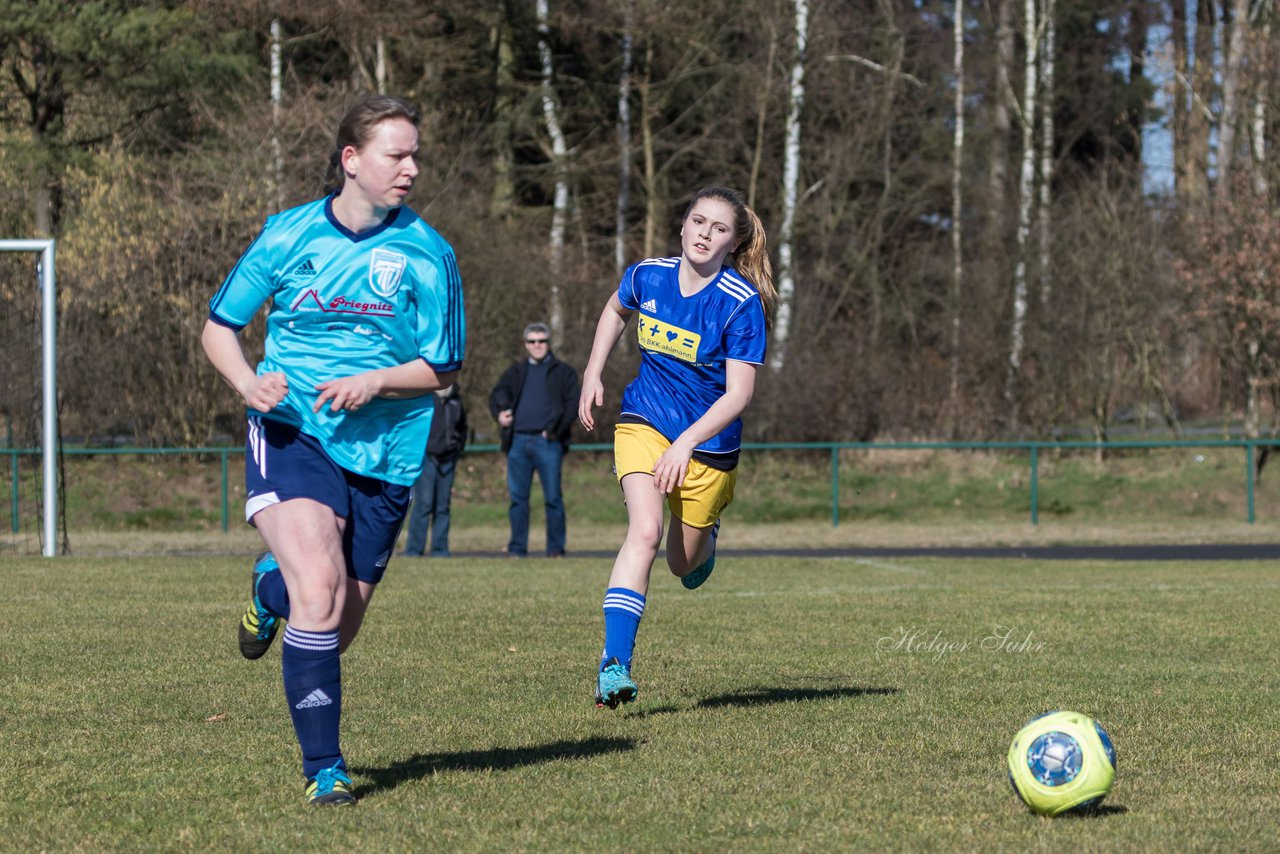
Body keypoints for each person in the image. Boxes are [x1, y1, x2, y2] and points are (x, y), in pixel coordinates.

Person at [200, 94, 465, 806]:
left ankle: (267, 588)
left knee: (334, 624)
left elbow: (444, 368)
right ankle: (325, 770)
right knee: (320, 589)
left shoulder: (429, 253)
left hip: (386, 453)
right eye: (396, 154)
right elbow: (220, 328)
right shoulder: (286, 237)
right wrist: (247, 382)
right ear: (352, 160)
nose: (411, 167)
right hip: (294, 429)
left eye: (415, 155)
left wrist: (377, 380)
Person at [577, 186, 776, 710]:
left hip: (708, 444)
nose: (705, 234)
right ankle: (613, 665)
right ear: (682, 226)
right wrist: (592, 372)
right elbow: (614, 311)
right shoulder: (648, 274)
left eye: (719, 228)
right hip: (645, 420)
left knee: (681, 565)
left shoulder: (741, 304)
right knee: (644, 529)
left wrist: (687, 443)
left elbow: (739, 394)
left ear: (734, 242)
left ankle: (707, 536)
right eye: (698, 221)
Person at [488, 323, 580, 557]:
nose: (537, 345)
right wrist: (500, 412)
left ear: (549, 343)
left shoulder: (564, 372)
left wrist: (555, 431)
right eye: (532, 341)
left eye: (541, 340)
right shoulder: (515, 372)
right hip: (517, 442)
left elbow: (572, 405)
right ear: (525, 344)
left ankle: (555, 549)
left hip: (548, 443)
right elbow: (497, 394)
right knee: (518, 500)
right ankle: (517, 549)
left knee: (553, 498)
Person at [403, 383, 467, 557]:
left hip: (449, 459)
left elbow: (462, 429)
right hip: (427, 457)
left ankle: (440, 550)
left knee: (443, 506)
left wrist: (457, 447)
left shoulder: (456, 402)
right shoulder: (425, 398)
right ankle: (414, 550)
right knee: (424, 503)